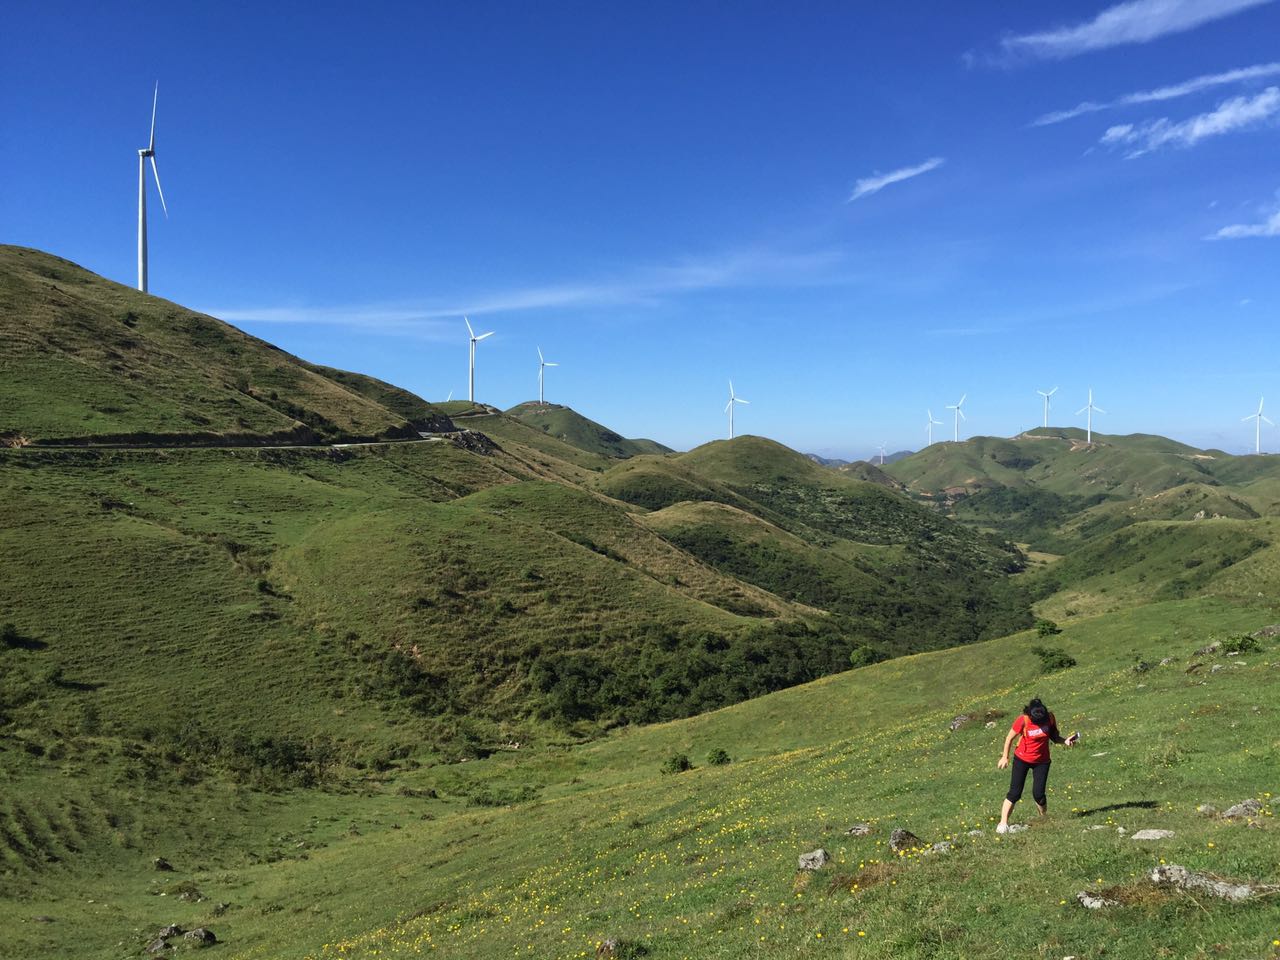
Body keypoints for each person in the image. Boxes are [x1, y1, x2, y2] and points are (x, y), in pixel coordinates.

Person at [996, 697, 1072, 833]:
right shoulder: (1023, 720)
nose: (1039, 724)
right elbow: (1009, 738)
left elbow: (1054, 737)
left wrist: (1065, 741)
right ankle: (1003, 824)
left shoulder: (1050, 718)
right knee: (1014, 793)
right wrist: (1004, 757)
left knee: (1039, 794)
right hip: (1022, 759)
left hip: (1042, 761)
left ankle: (1044, 819)